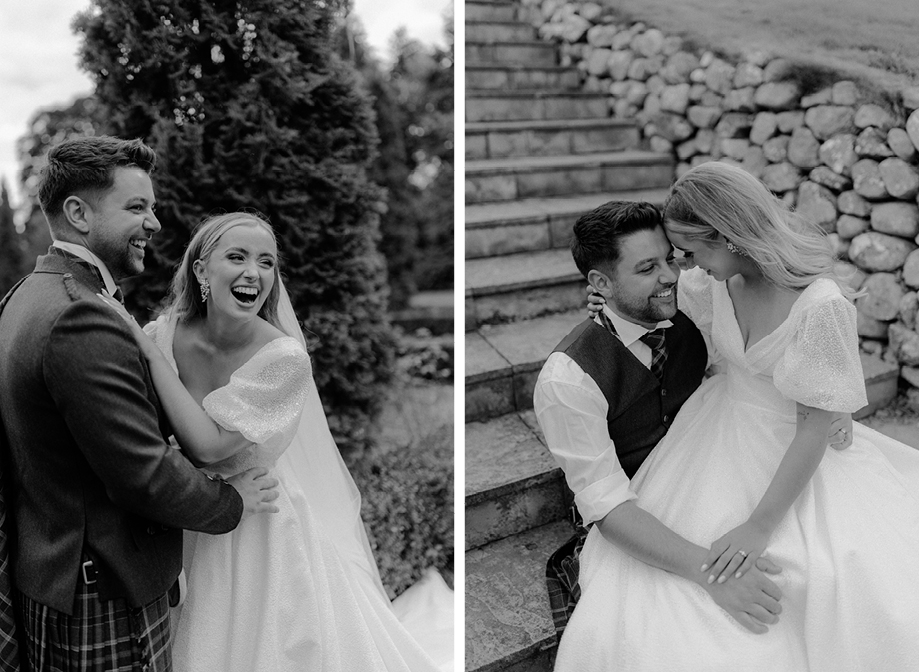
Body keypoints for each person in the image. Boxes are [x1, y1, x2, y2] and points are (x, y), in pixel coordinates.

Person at [554, 161, 919, 671]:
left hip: (797, 446)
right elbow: (643, 299)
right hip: (715, 429)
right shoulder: (711, 285)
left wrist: (757, 527)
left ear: (730, 237)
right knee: (652, 596)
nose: (683, 268)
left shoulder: (819, 304)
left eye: (688, 252)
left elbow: (813, 423)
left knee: (826, 575)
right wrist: (605, 294)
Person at [100, 210, 447, 671]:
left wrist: (146, 352)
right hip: (181, 513)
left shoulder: (283, 359)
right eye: (237, 257)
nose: (254, 272)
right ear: (201, 270)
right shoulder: (163, 334)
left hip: (258, 524)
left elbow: (209, 447)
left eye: (266, 262)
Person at [0, 136, 280, 672]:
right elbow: (142, 473)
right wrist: (232, 501)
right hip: (102, 590)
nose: (154, 222)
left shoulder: (24, 295)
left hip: (54, 572)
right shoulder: (79, 314)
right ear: (78, 214)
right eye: (136, 207)